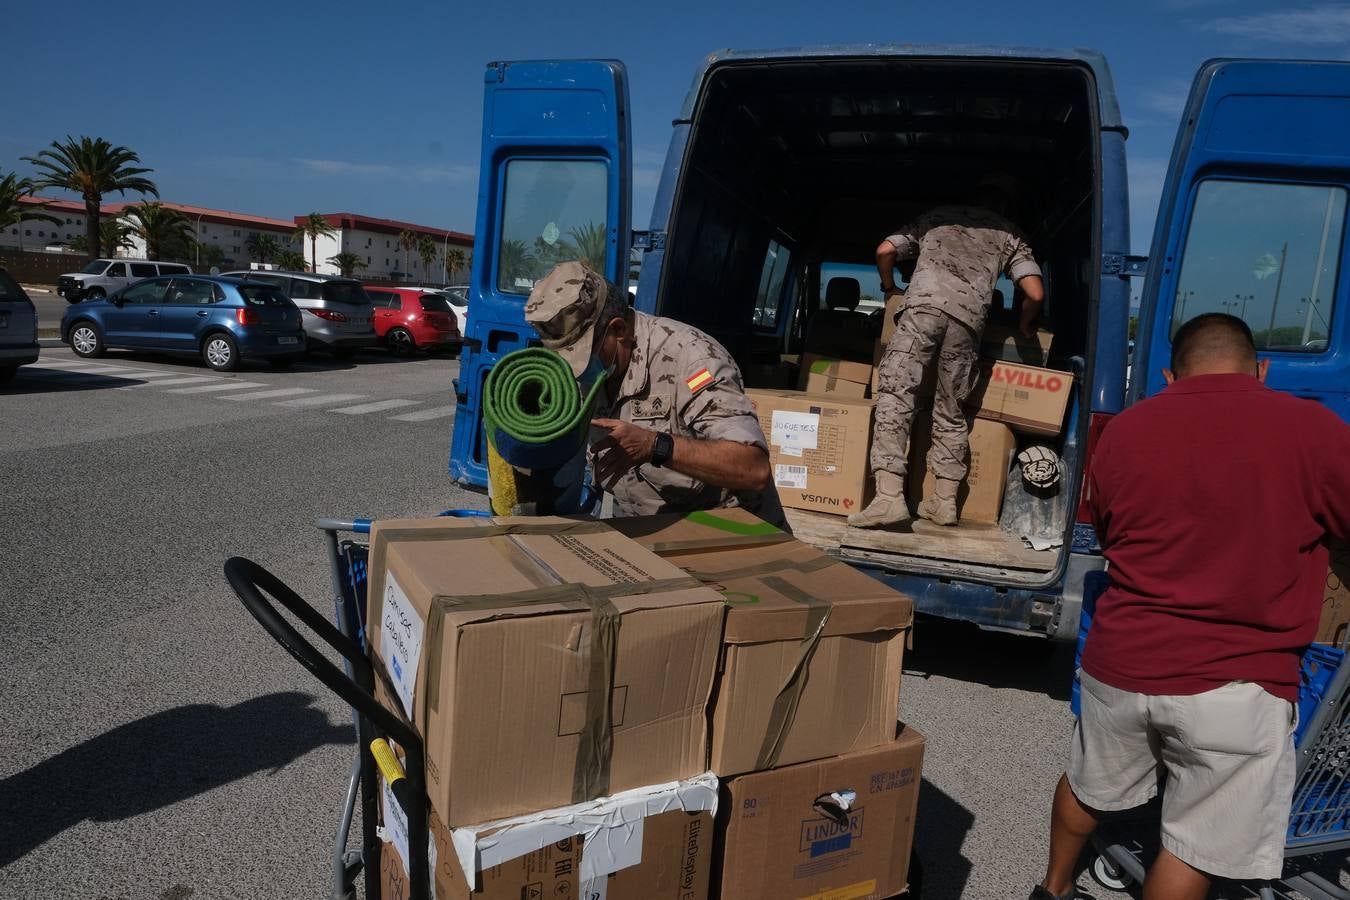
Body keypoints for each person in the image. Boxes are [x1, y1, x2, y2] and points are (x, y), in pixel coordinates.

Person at [1030, 314, 1350, 900]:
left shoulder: (1124, 432)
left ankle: (1051, 889)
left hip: (1121, 666)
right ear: (1262, 369)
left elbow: (1106, 532)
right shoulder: (1315, 430)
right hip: (1237, 682)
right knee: (1190, 843)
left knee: (1088, 785)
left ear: (1170, 375)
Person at [524, 260, 785, 525]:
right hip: (647, 530)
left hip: (731, 531)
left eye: (583, 355)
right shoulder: (578, 374)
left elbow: (754, 468)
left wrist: (655, 446)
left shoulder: (691, 358)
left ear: (618, 330)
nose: (577, 371)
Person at [849, 187, 1045, 528]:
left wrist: (887, 286)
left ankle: (889, 497)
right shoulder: (1010, 234)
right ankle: (943, 501)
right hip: (968, 324)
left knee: (896, 397)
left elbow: (885, 250)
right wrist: (1026, 326)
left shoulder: (938, 217)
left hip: (922, 311)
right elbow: (1035, 292)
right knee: (951, 411)